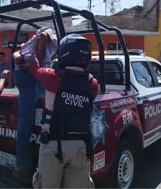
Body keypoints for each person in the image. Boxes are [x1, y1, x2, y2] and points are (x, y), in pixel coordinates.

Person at [16, 34, 99, 188]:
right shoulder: (93, 83)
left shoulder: (52, 76)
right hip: (80, 146)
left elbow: (35, 69)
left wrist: (31, 56)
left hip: (53, 144)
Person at [12, 27, 58, 181]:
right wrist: (35, 64)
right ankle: (21, 165)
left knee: (41, 104)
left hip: (26, 72)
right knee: (26, 119)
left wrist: (20, 57)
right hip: (28, 73)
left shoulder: (33, 42)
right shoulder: (52, 33)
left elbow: (18, 52)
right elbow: (44, 36)